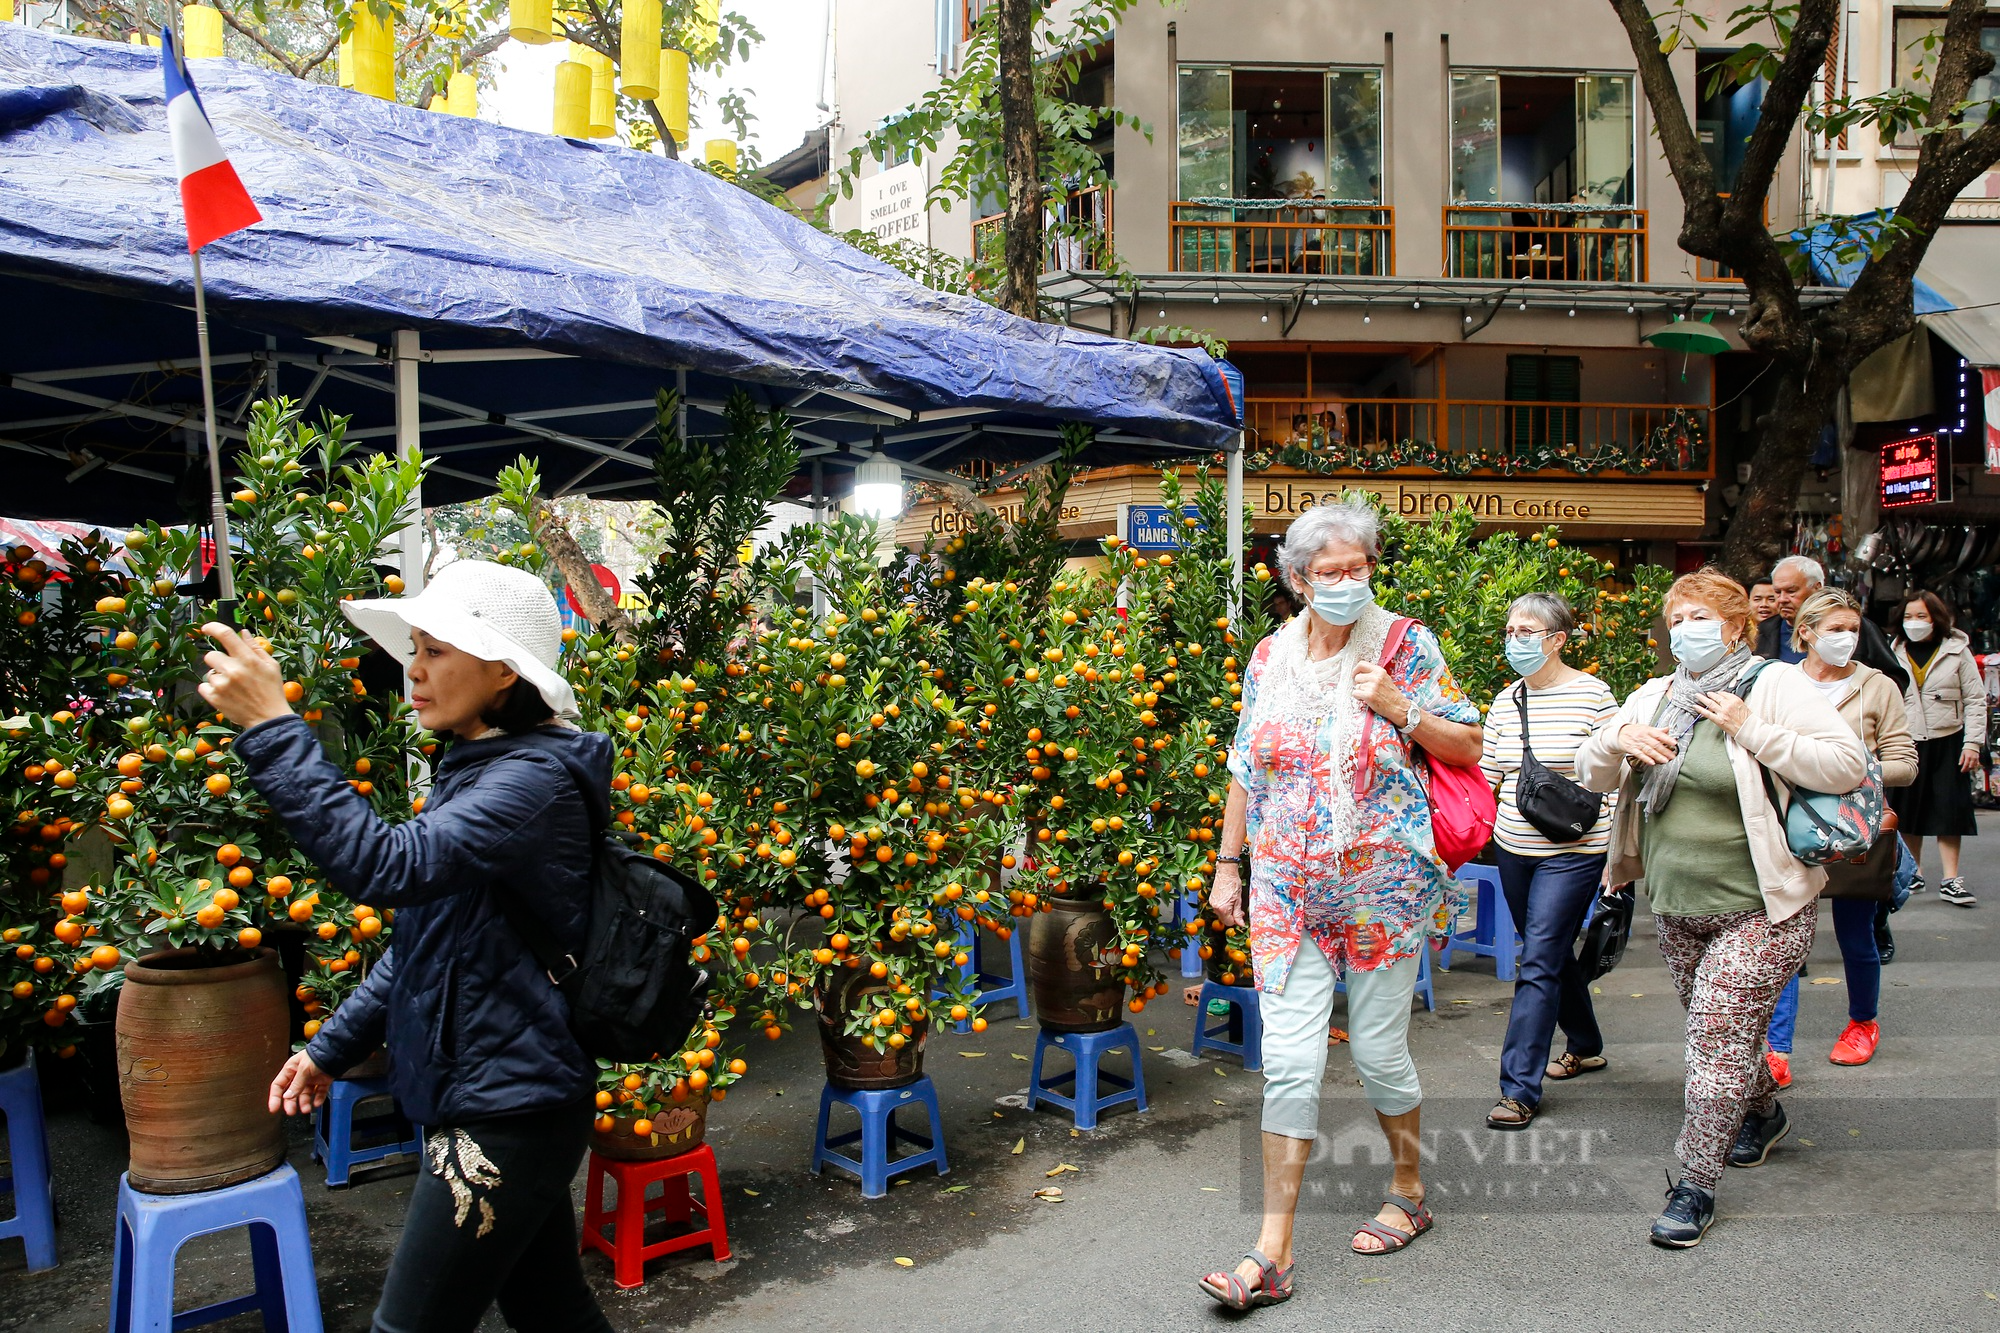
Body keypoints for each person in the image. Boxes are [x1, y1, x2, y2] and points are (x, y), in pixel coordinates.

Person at [198, 560, 618, 1333]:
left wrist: (272, 726)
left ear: (501, 672)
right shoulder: (477, 767)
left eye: (436, 652)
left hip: (507, 1108)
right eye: (414, 649)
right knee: (551, 1307)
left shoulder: (531, 782)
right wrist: (331, 1047)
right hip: (493, 1089)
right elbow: (430, 936)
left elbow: (387, 867)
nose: (414, 672)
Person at [1198, 499, 1483, 1309]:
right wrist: (1228, 866)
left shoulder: (1405, 644)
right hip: (1287, 889)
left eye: (1358, 569)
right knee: (1289, 1062)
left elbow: (1470, 744)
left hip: (1382, 890)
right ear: (1297, 579)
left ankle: (1409, 1188)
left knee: (1381, 1053)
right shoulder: (1268, 657)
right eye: (1330, 573)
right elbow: (1246, 768)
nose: (1347, 582)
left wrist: (1399, 704)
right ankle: (1271, 1252)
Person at [1577, 568, 1866, 1250]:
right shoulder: (1654, 696)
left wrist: (1752, 729)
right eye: (1676, 620)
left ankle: (1695, 1182)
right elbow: (1588, 771)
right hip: (1677, 906)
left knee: (1712, 1036)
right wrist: (1617, 741)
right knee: (1726, 1039)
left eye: (1699, 618)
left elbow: (1845, 763)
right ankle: (1761, 1111)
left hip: (1764, 908)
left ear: (1735, 626)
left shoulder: (1775, 685)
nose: (1685, 632)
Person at [1762, 588, 1916, 1084]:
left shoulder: (1878, 686)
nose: (1847, 638)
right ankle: (1775, 1049)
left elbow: (1905, 764)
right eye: (1835, 629)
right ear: (1804, 633)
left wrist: (1847, 769)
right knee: (1785, 935)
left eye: (1852, 629)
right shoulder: (1777, 682)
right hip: (1788, 824)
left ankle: (1862, 1023)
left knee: (1855, 933)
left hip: (1853, 827)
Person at [1477, 593, 1620, 1130]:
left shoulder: (1593, 695)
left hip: (1576, 851)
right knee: (1551, 952)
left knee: (1536, 959)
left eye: (1528, 631)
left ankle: (1518, 1088)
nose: (1516, 640)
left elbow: (1618, 771)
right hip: (1514, 847)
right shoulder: (1505, 700)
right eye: (1511, 630)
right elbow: (1490, 773)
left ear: (1558, 640)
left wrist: (1619, 857)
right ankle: (1584, 1044)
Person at [1892, 590, 1986, 908]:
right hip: (1907, 740)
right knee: (1908, 809)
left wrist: (1972, 743)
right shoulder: (1893, 652)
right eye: (1908, 616)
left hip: (1950, 740)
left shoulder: (1957, 651)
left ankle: (1951, 879)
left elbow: (1975, 700)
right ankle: (1913, 872)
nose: (1914, 623)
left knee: (1950, 809)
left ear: (1936, 618)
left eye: (1921, 616)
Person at [1757, 556, 1907, 690]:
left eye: (1791, 591)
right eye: (1777, 592)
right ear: (1803, 632)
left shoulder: (1855, 627)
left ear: (1817, 588)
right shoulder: (1763, 632)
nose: (1782, 599)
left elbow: (1895, 678)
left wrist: (1862, 705)